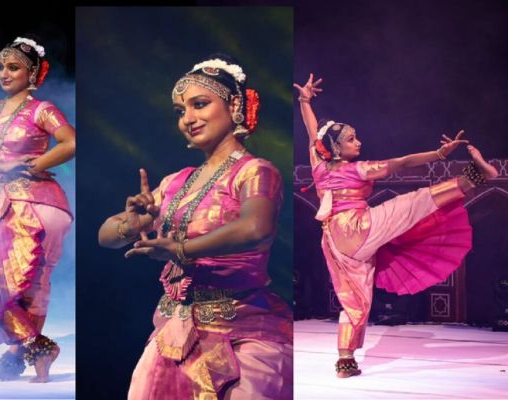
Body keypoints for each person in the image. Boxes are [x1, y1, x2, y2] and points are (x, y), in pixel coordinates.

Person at [99, 54, 292, 399]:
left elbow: (256, 228)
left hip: (244, 330)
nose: (188, 119)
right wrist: (131, 224)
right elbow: (105, 237)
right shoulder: (176, 181)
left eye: (199, 104)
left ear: (234, 105)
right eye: (180, 111)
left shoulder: (255, 171)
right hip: (175, 331)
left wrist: (181, 250)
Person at [294, 74, 498, 378]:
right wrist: (439, 154)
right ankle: (473, 178)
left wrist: (304, 101)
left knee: (355, 300)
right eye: (351, 139)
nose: (358, 142)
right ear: (335, 148)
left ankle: (345, 360)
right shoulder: (360, 170)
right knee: (415, 203)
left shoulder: (319, 164)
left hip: (334, 243)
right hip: (360, 227)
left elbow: (312, 132)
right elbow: (402, 162)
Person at [0, 36, 76, 383]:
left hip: (36, 203)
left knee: (27, 285)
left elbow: (71, 142)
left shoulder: (42, 110)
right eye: (1, 67)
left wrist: (34, 165)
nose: (4, 74)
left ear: (32, 73)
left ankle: (24, 355)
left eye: (14, 67)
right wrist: (2, 166)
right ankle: (33, 349)